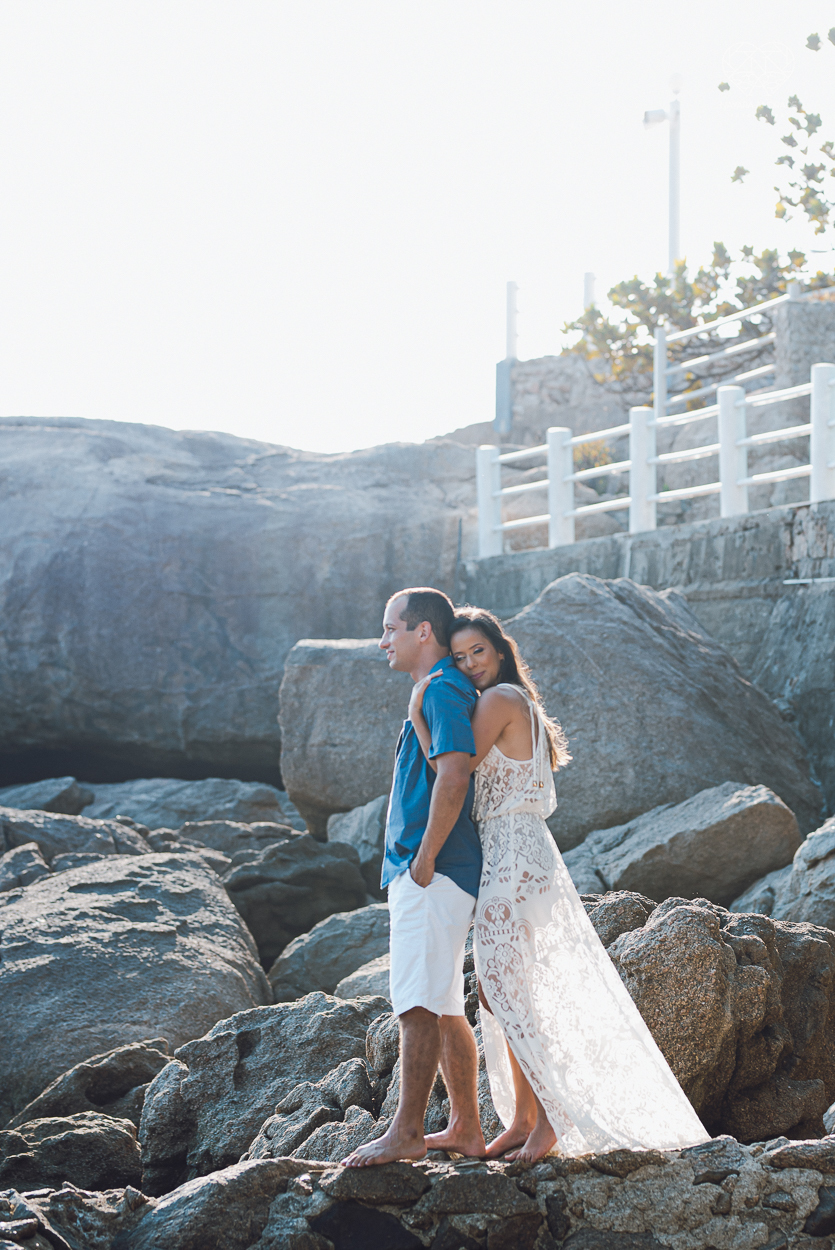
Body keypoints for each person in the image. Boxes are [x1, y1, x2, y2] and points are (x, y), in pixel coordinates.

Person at [409, 606, 710, 1163]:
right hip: (515, 852)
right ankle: (524, 1117)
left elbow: (452, 766)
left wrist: (418, 714)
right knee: (502, 995)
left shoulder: (500, 701)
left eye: (479, 652)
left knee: (508, 992)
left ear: (501, 652)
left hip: (513, 856)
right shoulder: (514, 702)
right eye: (460, 657)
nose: (471, 664)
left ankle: (551, 1116)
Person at [342, 587, 487, 1167]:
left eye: (390, 629)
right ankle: (465, 1128)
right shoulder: (434, 690)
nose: (382, 641)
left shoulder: (443, 689)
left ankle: (405, 1132)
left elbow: (454, 776)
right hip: (431, 869)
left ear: (422, 630)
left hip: (434, 870)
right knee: (445, 1001)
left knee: (416, 1002)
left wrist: (424, 858)